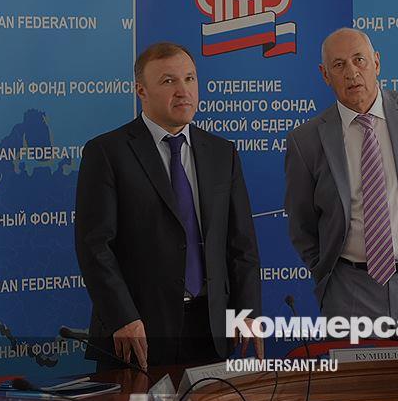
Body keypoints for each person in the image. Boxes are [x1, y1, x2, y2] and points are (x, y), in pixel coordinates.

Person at [75, 42, 263, 372]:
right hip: (137, 332)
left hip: (209, 330)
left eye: (190, 78)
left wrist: (246, 311)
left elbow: (241, 244)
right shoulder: (107, 152)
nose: (183, 91)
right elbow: (95, 247)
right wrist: (122, 317)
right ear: (141, 91)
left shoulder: (222, 153)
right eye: (168, 81)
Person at [284, 28, 398, 332]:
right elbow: (303, 225)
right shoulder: (306, 140)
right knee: (355, 368)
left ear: (376, 63)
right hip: (350, 294)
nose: (352, 72)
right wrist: (330, 275)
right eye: (339, 65)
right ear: (325, 75)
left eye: (359, 60)